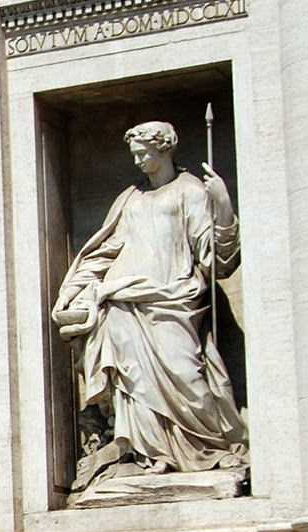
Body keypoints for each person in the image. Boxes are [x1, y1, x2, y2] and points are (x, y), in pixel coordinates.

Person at [52, 121, 247, 493]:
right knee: (133, 378)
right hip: (124, 299)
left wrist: (221, 202)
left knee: (185, 371)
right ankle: (150, 453)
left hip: (174, 297)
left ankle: (205, 445)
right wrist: (76, 289)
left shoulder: (190, 191)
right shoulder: (131, 199)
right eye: (135, 155)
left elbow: (217, 258)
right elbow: (106, 249)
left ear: (165, 149)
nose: (139, 161)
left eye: (145, 153)